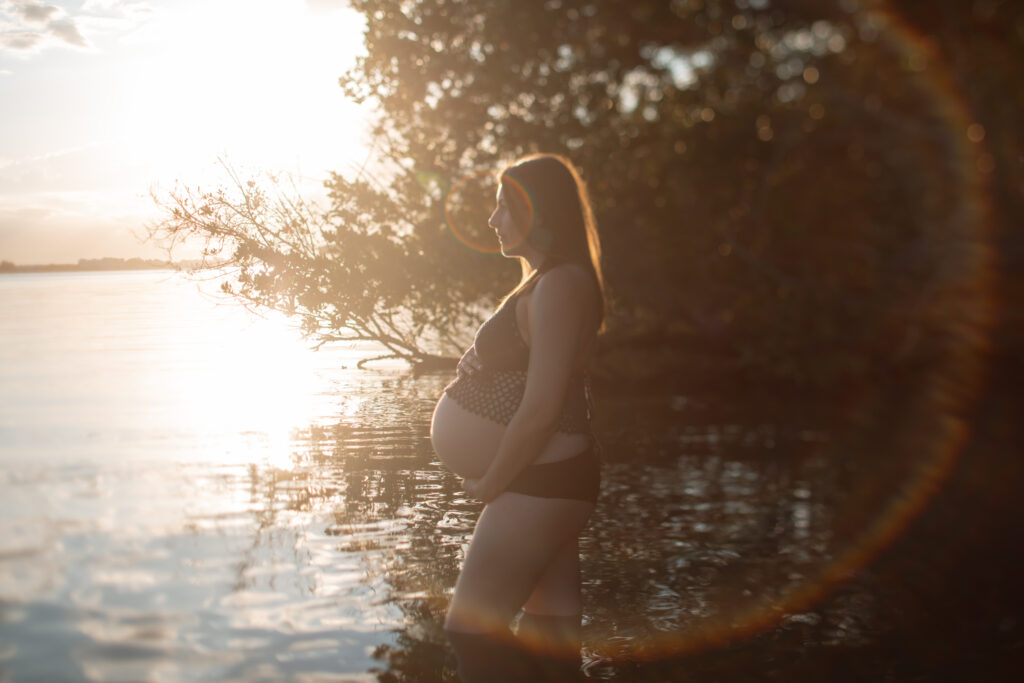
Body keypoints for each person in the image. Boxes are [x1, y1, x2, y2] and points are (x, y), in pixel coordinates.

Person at [429, 153, 606, 681]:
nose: (492, 220)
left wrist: (491, 482)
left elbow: (543, 406)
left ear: (538, 210)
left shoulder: (562, 284)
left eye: (504, 207)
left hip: (540, 485)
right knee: (551, 650)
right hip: (540, 486)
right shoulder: (546, 281)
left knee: (470, 636)